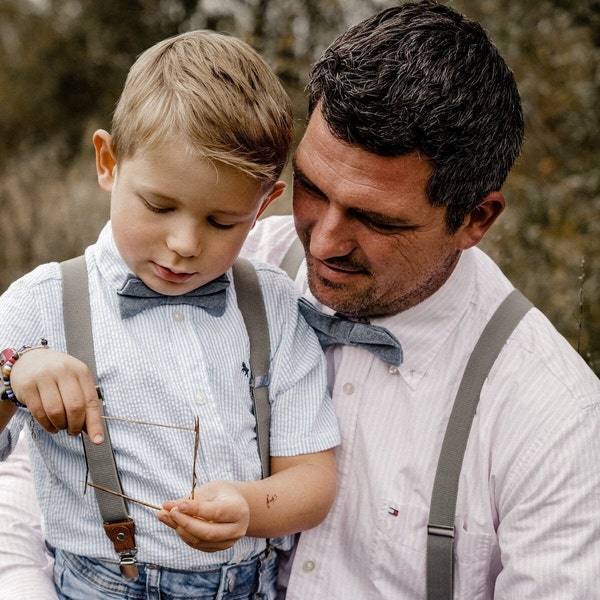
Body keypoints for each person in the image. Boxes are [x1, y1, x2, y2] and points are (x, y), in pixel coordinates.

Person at [3, 1, 600, 598]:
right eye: (313, 188)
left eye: (375, 219)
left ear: (476, 218)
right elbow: (31, 479)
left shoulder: (556, 422)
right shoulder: (235, 255)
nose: (325, 240)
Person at [0, 29, 340, 599]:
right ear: (108, 162)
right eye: (159, 206)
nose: (184, 243)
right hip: (100, 584)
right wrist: (13, 376)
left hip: (243, 585)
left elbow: (313, 479)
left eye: (222, 222)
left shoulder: (273, 306)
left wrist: (249, 508)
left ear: (264, 205)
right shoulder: (44, 302)